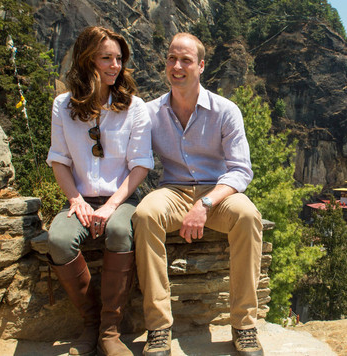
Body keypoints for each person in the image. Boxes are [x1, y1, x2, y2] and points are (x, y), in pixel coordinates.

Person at [132, 33, 264, 356]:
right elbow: (133, 159)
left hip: (217, 193)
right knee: (145, 216)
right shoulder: (149, 113)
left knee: (248, 216)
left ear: (201, 66)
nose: (177, 66)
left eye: (186, 60)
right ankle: (159, 327)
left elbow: (240, 170)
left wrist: (205, 204)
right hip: (173, 191)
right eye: (172, 59)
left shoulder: (225, 111)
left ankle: (244, 325)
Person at [46, 26, 153, 356]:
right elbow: (59, 161)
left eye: (118, 58)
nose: (115, 65)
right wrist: (75, 199)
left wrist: (110, 206)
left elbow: (140, 165)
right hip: (80, 198)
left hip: (121, 198)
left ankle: (110, 331)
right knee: (59, 240)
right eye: (106, 58)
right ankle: (91, 324)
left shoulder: (134, 107)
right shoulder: (63, 106)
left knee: (121, 231)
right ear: (86, 59)